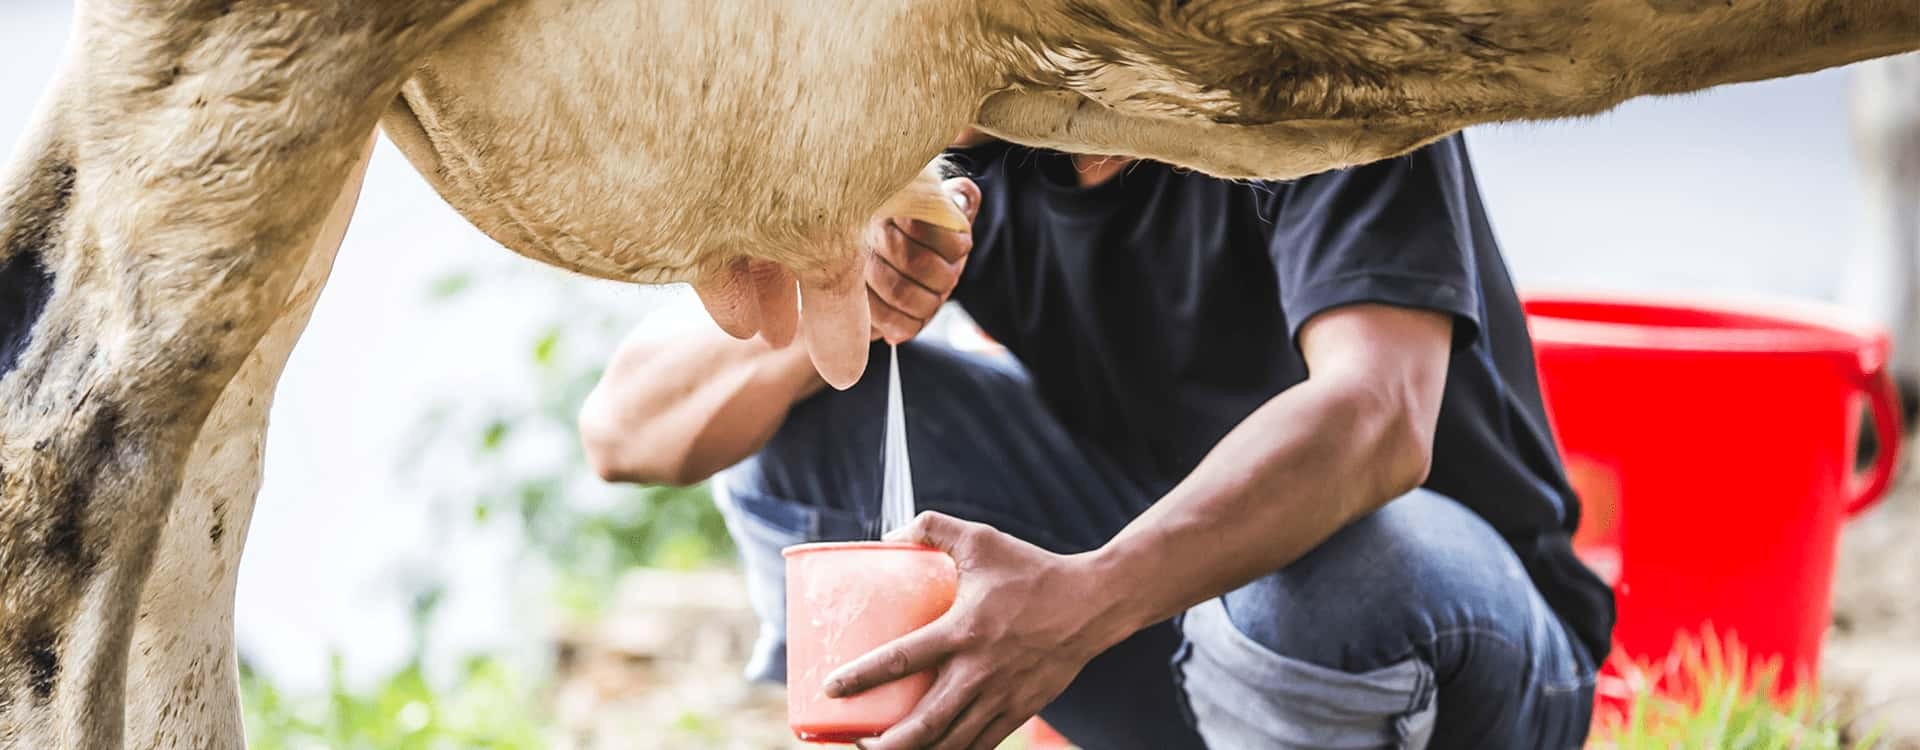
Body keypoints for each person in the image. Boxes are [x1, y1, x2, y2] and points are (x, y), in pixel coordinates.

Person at [577, 130, 1616, 750]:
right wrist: (854, 300)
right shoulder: (981, 127)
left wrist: (1079, 603)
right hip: (1173, 631)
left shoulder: (1320, 61)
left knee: (1339, 565)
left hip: (1465, 658)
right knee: (812, 422)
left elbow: (1380, 418)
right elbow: (624, 431)